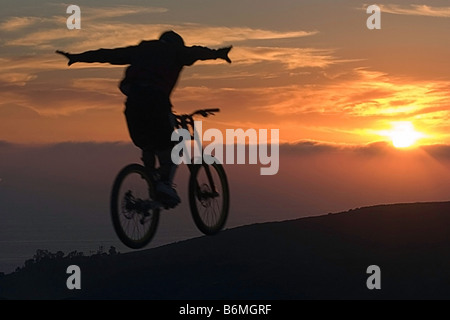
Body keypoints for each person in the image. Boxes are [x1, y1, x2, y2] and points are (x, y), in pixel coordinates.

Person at [57, 30, 232, 208]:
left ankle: (151, 180)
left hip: (132, 105)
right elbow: (197, 52)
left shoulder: (142, 50)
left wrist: (78, 57)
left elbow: (110, 55)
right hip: (156, 102)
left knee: (148, 143)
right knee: (173, 143)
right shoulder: (176, 52)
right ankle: (164, 184)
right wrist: (218, 53)